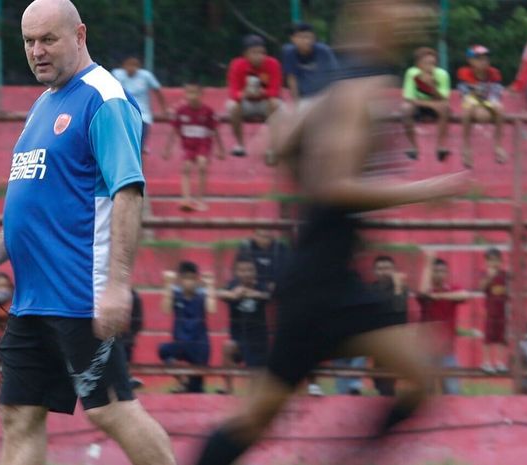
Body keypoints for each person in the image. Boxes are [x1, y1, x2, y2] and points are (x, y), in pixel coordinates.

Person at [192, 2, 469, 464]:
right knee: (254, 420)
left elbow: (274, 143)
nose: (414, 16)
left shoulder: (341, 87)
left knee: (420, 374)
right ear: (374, 18)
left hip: (331, 277)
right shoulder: (357, 90)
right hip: (321, 284)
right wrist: (428, 188)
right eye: (402, 9)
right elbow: (330, 184)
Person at [0, 2, 176, 465]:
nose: (37, 51)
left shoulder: (103, 98)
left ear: (79, 35)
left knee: (112, 410)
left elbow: (128, 193)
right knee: (18, 413)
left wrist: (117, 286)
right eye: (29, 41)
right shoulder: (43, 104)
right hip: (32, 299)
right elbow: (40, 202)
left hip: (79, 294)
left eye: (48, 39)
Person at [163, 82, 225, 211]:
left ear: (201, 94)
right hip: (188, 146)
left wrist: (221, 149)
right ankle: (186, 199)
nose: (192, 96)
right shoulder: (181, 111)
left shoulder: (207, 111)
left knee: (202, 164)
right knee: (186, 167)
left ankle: (200, 199)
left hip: (203, 145)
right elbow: (174, 130)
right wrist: (167, 149)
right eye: (189, 93)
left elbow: (216, 130)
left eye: (195, 93)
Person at [158, 262, 216, 393]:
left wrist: (211, 285)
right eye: (185, 278)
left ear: (197, 280)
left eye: (192, 278)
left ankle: (189, 386)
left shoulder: (202, 295)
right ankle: (183, 381)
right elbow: (165, 309)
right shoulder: (176, 294)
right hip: (181, 343)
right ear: (180, 280)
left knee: (196, 389)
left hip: (199, 345)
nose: (189, 282)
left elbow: (212, 309)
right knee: (163, 350)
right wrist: (167, 285)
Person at [417, 254, 469, 394]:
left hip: (447, 351)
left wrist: (439, 296)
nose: (440, 274)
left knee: (453, 391)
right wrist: (427, 263)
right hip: (426, 350)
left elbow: (465, 295)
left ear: (447, 273)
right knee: (425, 392)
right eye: (436, 271)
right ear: (430, 273)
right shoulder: (427, 292)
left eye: (443, 271)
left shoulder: (451, 289)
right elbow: (422, 293)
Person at [218, 256, 270, 395]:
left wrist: (254, 294)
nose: (246, 273)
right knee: (228, 346)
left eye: (250, 270)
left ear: (255, 272)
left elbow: (269, 295)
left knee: (256, 387)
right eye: (242, 270)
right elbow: (220, 293)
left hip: (258, 342)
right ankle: (228, 388)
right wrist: (232, 295)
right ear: (236, 272)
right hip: (239, 340)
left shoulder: (260, 286)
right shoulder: (233, 286)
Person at [226, 34, 282, 157]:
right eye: (254, 53)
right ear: (245, 54)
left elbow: (275, 90)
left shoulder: (273, 64)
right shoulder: (237, 65)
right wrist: (244, 93)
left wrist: (263, 92)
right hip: (246, 102)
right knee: (233, 106)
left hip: (265, 102)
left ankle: (273, 147)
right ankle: (240, 144)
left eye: (261, 53)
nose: (259, 56)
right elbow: (233, 92)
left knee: (276, 104)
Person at [457, 45, 507, 168]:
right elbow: (464, 93)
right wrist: (475, 94)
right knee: (467, 110)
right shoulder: (465, 73)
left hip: (489, 98)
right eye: (479, 58)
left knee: (500, 108)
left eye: (485, 58)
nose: (483, 62)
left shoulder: (493, 74)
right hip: (472, 99)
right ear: (471, 61)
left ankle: (498, 145)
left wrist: (488, 104)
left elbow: (496, 92)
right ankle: (466, 147)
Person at [401, 47, 451, 161]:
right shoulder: (412, 73)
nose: (430, 67)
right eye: (426, 63)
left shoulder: (442, 75)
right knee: (405, 108)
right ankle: (413, 147)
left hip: (436, 106)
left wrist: (433, 88)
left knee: (445, 108)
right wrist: (432, 104)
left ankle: (440, 146)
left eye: (433, 63)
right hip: (419, 106)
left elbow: (444, 99)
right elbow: (409, 98)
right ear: (418, 65)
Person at [111, 55, 169, 153]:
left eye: (134, 66)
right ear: (124, 66)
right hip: (123, 114)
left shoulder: (146, 76)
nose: (131, 69)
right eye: (128, 66)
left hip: (142, 115)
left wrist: (164, 108)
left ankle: (139, 154)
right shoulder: (117, 74)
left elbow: (158, 91)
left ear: (138, 68)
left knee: (137, 148)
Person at [369, 255, 409, 396]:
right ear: (374, 271)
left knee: (387, 380)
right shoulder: (371, 290)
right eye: (380, 269)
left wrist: (398, 287)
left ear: (394, 270)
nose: (383, 272)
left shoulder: (401, 289)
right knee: (379, 379)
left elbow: (400, 311)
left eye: (387, 268)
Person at [281, 22, 338, 102]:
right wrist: (296, 105)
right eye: (300, 37)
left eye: (308, 37)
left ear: (313, 38)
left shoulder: (323, 51)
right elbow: (292, 79)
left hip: (324, 95)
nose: (305, 41)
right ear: (293, 39)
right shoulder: (289, 53)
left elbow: (334, 76)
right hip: (303, 97)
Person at [479, 248, 509, 374]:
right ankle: (486, 362)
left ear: (501, 261)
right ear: (486, 262)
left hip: (502, 312)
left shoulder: (504, 275)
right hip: (490, 312)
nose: (494, 263)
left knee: (501, 339)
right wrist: (490, 277)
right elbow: (482, 287)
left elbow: (508, 289)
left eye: (496, 260)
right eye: (491, 261)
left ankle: (500, 362)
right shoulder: (485, 275)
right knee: (488, 338)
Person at [119, 289, 144, 390]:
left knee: (126, 344)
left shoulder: (134, 296)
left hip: (125, 339)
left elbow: (138, 322)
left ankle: (124, 379)